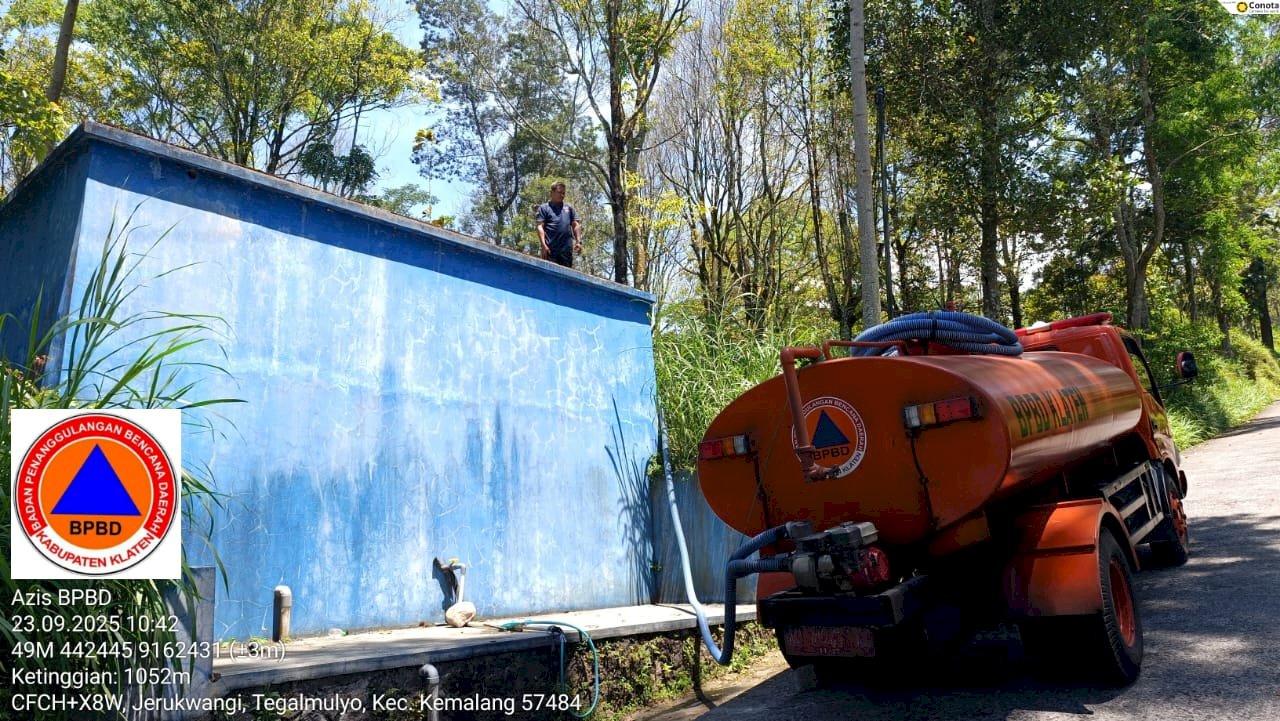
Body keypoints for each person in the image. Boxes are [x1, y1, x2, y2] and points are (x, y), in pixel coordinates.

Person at [536, 181, 582, 268]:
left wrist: (578, 242)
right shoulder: (544, 208)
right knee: (549, 274)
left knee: (565, 274)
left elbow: (576, 225)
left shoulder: (569, 208)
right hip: (549, 250)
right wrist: (543, 245)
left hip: (566, 251)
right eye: (559, 192)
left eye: (563, 193)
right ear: (551, 192)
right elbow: (540, 226)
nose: (562, 195)